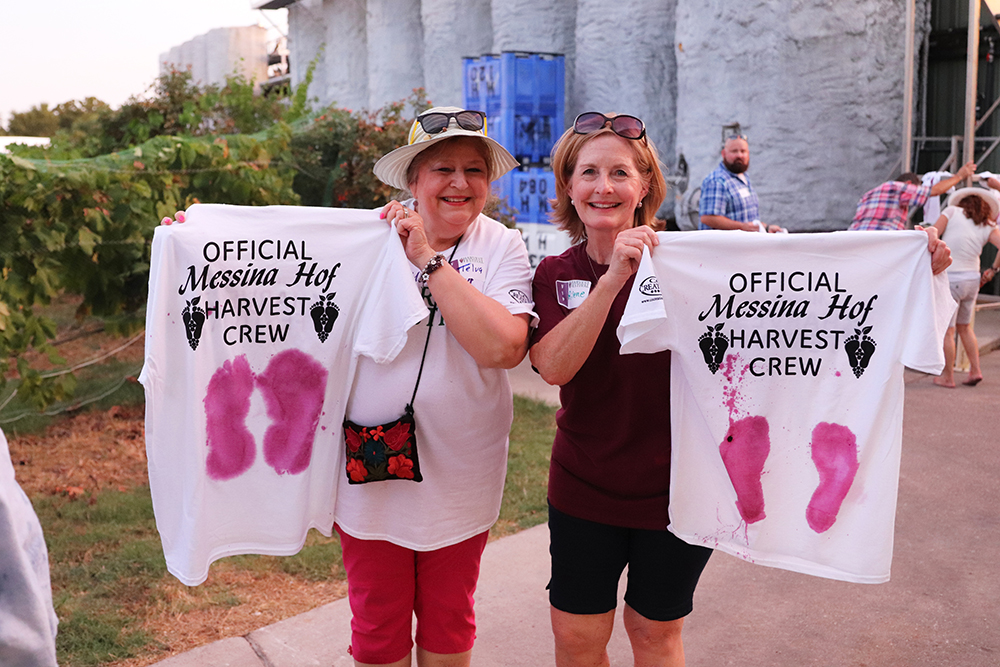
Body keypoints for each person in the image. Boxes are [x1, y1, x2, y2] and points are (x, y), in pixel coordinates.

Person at [334, 107, 534, 667]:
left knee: (450, 617)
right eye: (442, 168)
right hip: (372, 467)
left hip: (463, 472)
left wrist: (426, 259)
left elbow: (502, 348)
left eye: (474, 170)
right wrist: (196, 242)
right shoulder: (364, 241)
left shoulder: (502, 248)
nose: (459, 183)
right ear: (413, 181)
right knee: (376, 622)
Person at [530, 112, 713, 667]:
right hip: (585, 487)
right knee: (577, 638)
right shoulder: (553, 272)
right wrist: (610, 280)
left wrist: (912, 265)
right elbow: (554, 366)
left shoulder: (694, 267)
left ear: (644, 187)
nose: (603, 187)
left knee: (654, 634)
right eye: (588, 173)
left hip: (679, 492)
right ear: (569, 186)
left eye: (619, 173)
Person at [931, 187, 1000, 388]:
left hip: (951, 278)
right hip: (972, 279)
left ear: (961, 202)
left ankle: (947, 376)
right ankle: (975, 370)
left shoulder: (951, 212)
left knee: (948, 331)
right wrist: (993, 269)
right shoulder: (987, 224)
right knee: (965, 328)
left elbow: (933, 235)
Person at [848, 161, 976, 231]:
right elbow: (934, 191)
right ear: (909, 184)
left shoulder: (869, 195)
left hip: (855, 240)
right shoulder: (898, 187)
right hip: (878, 242)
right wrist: (959, 176)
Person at [699, 133, 783, 233]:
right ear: (723, 154)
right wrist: (744, 228)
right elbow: (708, 218)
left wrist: (766, 228)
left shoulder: (743, 177)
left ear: (748, 153)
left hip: (745, 245)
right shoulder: (716, 181)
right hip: (725, 247)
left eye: (743, 151)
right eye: (734, 151)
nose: (739, 155)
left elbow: (746, 218)